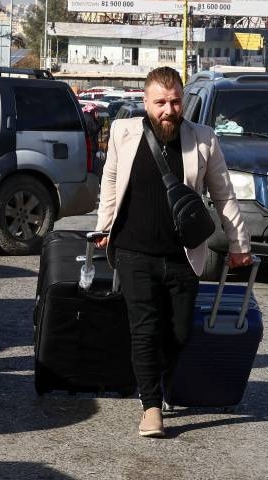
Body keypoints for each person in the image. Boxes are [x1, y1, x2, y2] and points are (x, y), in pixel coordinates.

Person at [95, 66, 252, 438]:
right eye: (160, 102)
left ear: (184, 101)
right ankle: (151, 406)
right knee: (144, 328)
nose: (169, 109)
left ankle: (158, 382)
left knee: (179, 332)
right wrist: (102, 227)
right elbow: (112, 179)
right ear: (146, 103)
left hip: (183, 255)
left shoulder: (204, 140)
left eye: (175, 101)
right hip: (134, 250)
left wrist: (239, 245)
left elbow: (224, 195)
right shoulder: (124, 132)